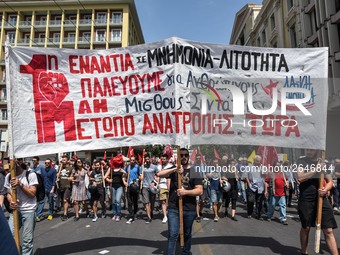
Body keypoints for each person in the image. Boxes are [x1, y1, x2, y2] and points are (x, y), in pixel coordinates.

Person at [158, 148, 203, 255]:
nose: (183, 157)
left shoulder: (194, 171)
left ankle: (186, 252)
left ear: (188, 156)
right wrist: (175, 169)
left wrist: (185, 192)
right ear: (178, 157)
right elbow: (159, 174)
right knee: (173, 234)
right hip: (174, 207)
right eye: (181, 155)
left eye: (185, 155)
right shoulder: (174, 169)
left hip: (189, 208)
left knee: (187, 234)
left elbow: (200, 190)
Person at [297, 149, 338, 255]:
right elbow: (300, 177)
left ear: (317, 151)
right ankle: (303, 251)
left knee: (328, 230)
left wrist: (325, 190)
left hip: (321, 198)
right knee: (306, 227)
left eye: (311, 150)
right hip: (306, 198)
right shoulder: (302, 161)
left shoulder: (324, 163)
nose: (308, 151)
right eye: (307, 149)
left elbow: (330, 182)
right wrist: (316, 169)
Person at [5, 158, 38, 255]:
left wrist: (20, 184)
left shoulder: (30, 174)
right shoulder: (8, 176)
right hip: (15, 210)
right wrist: (11, 200)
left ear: (18, 162)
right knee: (10, 236)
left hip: (28, 210)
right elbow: (8, 192)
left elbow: (32, 193)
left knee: (27, 241)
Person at [104, 154, 127, 222]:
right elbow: (105, 177)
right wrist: (108, 180)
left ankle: (118, 214)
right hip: (113, 186)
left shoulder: (121, 169)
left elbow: (124, 177)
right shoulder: (111, 169)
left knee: (117, 200)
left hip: (120, 186)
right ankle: (114, 213)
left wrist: (124, 173)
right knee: (113, 201)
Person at [244, 155, 267, 220]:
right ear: (254, 161)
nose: (259, 162)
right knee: (250, 200)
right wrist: (249, 184)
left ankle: (258, 214)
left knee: (259, 202)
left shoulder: (263, 167)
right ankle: (249, 213)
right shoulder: (249, 167)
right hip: (252, 187)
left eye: (259, 161)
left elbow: (266, 175)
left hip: (260, 187)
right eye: (257, 161)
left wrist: (263, 173)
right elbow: (246, 176)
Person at [141, 154, 159, 223]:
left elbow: (158, 175)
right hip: (145, 186)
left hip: (152, 187)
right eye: (146, 159)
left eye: (148, 159)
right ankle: (148, 217)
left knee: (152, 202)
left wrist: (156, 182)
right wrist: (141, 177)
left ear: (150, 159)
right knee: (147, 202)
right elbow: (140, 175)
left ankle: (151, 212)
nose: (147, 160)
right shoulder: (142, 167)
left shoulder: (154, 167)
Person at [158, 153, 176, 224]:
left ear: (167, 159)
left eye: (164, 159)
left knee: (169, 201)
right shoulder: (159, 166)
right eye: (162, 159)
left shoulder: (171, 166)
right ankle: (165, 216)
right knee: (163, 201)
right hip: (162, 185)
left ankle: (169, 212)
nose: (163, 160)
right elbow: (157, 175)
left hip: (170, 185)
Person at [125, 155, 142, 224]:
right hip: (129, 187)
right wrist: (125, 182)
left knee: (135, 202)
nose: (132, 161)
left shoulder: (138, 167)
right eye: (130, 160)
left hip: (135, 187)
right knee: (129, 202)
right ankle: (131, 216)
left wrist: (135, 180)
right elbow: (124, 176)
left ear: (135, 161)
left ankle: (135, 213)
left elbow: (140, 177)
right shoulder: (127, 167)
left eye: (133, 160)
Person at [57, 155, 73, 220]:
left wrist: (71, 178)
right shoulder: (59, 168)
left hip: (67, 186)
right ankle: (65, 211)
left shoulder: (71, 168)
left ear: (67, 161)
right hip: (60, 186)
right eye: (62, 160)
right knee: (62, 201)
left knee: (65, 200)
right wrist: (57, 177)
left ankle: (65, 214)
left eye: (64, 160)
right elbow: (58, 176)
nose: (63, 161)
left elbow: (72, 177)